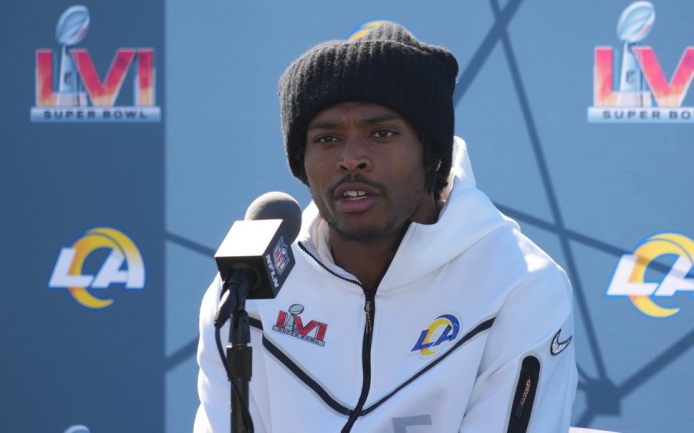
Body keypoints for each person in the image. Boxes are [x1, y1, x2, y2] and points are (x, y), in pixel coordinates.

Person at [195, 21, 577, 432]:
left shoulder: (519, 286)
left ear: (432, 154)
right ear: (300, 165)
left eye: (382, 133)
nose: (352, 158)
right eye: (326, 139)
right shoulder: (245, 290)